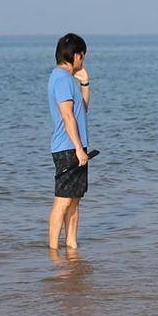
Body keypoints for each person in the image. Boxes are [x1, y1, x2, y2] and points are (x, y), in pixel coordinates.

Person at [47, 33, 91, 249]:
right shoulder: (61, 79)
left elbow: (81, 110)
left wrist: (85, 83)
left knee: (74, 199)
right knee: (63, 200)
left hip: (75, 146)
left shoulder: (69, 79)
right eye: (82, 57)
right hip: (67, 147)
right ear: (76, 55)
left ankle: (71, 245)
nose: (82, 62)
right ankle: (53, 251)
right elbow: (67, 115)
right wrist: (77, 149)